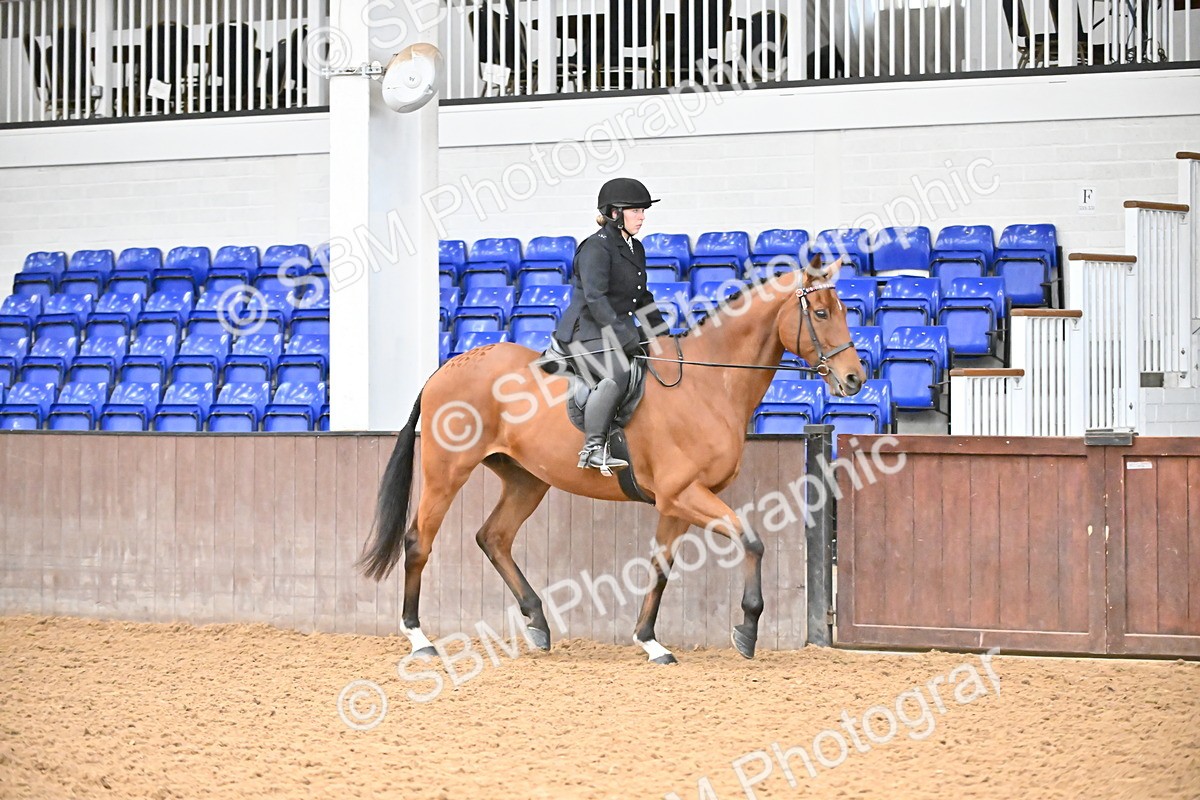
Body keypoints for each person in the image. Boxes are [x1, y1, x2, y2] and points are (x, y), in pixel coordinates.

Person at [553, 177, 667, 473]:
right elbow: (595, 298)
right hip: (586, 331)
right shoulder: (596, 248)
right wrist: (624, 338)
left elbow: (642, 296)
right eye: (636, 211)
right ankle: (592, 447)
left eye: (643, 211)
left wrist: (662, 335)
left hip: (614, 326)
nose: (642, 217)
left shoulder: (635, 247)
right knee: (618, 369)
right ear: (615, 213)